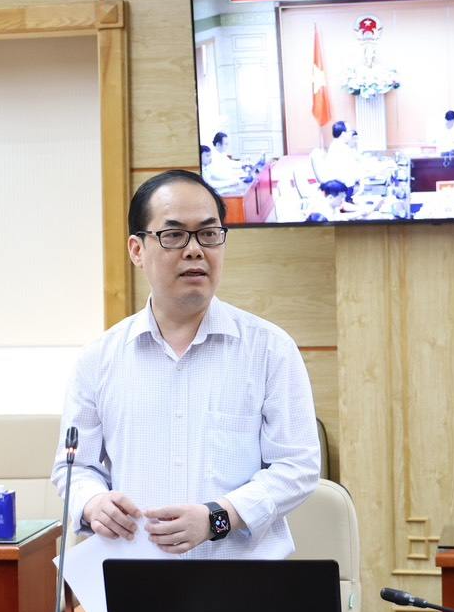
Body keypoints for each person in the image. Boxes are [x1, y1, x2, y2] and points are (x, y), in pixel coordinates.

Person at [52, 169, 320, 562]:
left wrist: (217, 518)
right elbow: (73, 468)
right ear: (136, 250)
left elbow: (297, 466)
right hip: (134, 584)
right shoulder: (99, 359)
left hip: (242, 589)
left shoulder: (269, 349)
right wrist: (93, 503)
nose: (195, 250)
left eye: (209, 234)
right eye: (174, 235)